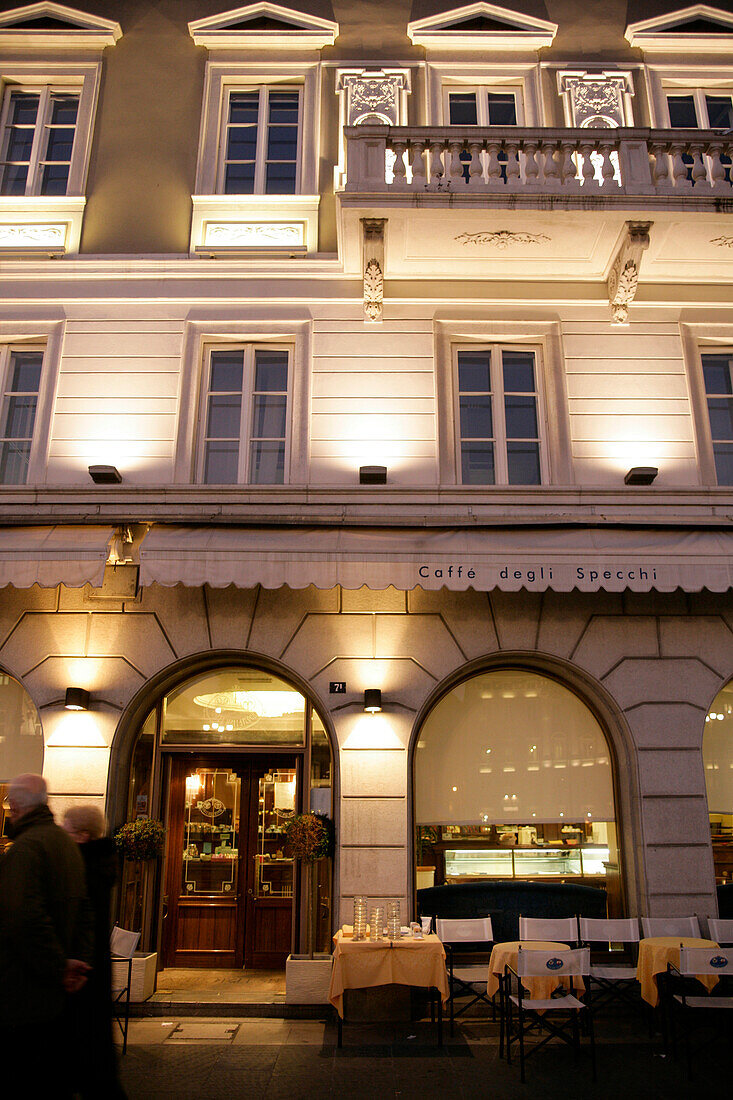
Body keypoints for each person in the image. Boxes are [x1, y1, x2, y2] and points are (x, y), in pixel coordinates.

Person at [0, 773, 92, 1098]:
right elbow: (84, 910)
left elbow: (23, 918)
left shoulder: (25, 849)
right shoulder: (64, 844)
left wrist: (58, 967)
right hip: (56, 993)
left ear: (15, 807)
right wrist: (77, 960)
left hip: (25, 989)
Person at [63, 803, 127, 1099]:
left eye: (69, 829)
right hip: (92, 965)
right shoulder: (101, 862)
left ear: (83, 834)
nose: (64, 835)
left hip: (82, 967)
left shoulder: (80, 867)